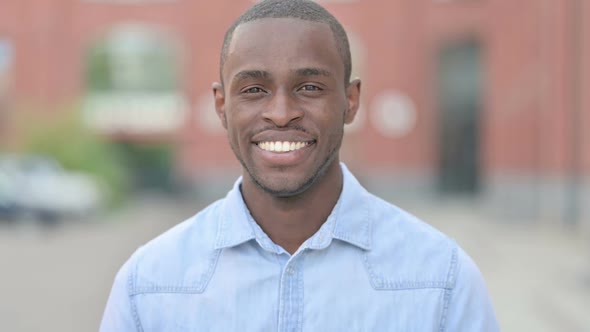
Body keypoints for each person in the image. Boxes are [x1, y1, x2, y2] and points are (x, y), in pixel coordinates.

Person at [100, 0, 499, 331]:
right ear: (222, 105)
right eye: (254, 89)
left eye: (309, 87)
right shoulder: (148, 286)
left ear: (351, 101)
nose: (280, 113)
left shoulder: (441, 282)